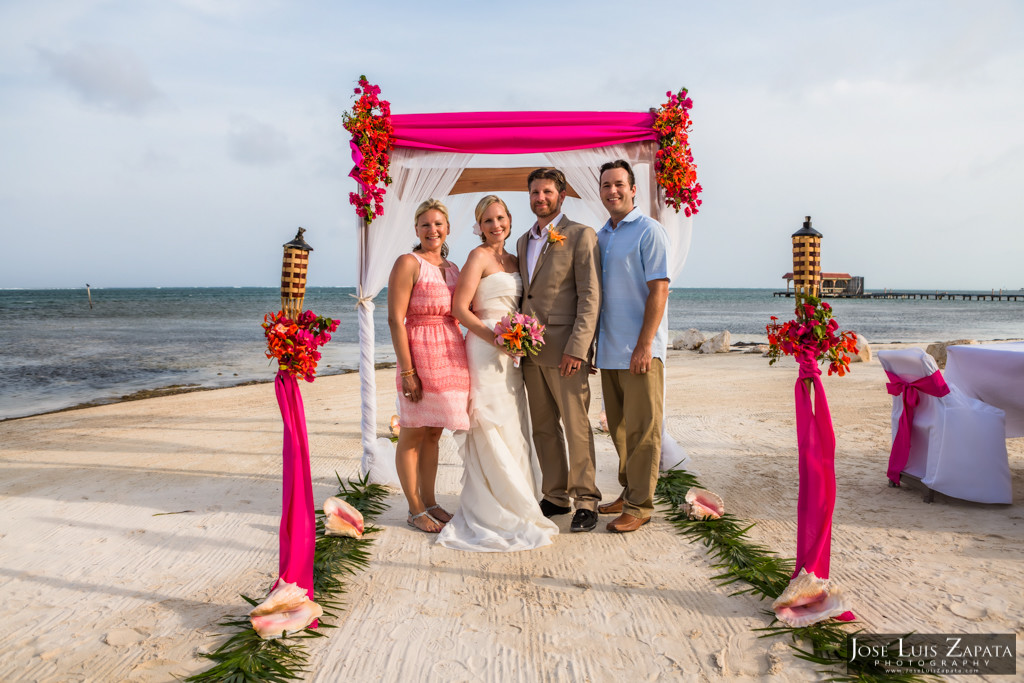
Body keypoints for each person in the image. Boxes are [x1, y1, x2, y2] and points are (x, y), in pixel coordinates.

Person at [436, 195, 558, 551]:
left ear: (509, 219)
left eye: (500, 218)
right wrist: (496, 337)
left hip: (513, 352)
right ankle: (492, 507)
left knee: (514, 422)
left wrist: (521, 338)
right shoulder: (478, 257)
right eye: (488, 221)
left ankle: (520, 497)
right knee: (489, 420)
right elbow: (460, 309)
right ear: (479, 226)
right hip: (484, 347)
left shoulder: (517, 259)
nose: (496, 226)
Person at [515, 168, 602, 533]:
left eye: (547, 191)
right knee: (544, 428)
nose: (540, 198)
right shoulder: (522, 241)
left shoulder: (581, 235)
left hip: (567, 352)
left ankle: (586, 500)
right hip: (529, 352)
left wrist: (578, 349)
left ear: (561, 195)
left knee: (577, 425)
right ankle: (555, 495)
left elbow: (590, 296)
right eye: (535, 192)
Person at [594, 160, 671, 533]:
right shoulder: (601, 236)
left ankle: (640, 506)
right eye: (606, 185)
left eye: (619, 184)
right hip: (608, 349)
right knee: (620, 430)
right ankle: (628, 492)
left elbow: (659, 290)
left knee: (644, 430)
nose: (613, 191)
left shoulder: (649, 231)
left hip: (640, 350)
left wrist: (645, 346)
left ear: (633, 188)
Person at [387, 199, 470, 533]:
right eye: (425, 224)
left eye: (438, 224)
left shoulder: (454, 268)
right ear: (416, 230)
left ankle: (431, 501)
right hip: (419, 352)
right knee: (412, 431)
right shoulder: (408, 262)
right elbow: (395, 318)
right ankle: (414, 508)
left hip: (450, 353)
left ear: (447, 228)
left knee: (435, 432)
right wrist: (408, 371)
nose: (432, 230)